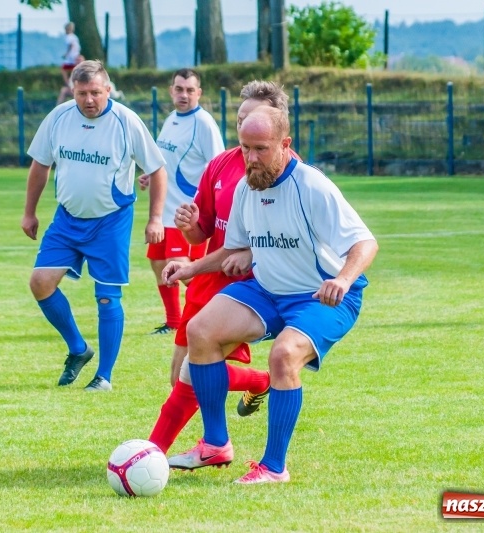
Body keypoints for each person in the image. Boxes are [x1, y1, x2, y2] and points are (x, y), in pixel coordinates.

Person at [163, 106, 378, 484]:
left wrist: (342, 280)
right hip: (269, 288)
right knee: (200, 331)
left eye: (261, 148)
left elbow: (365, 242)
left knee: (283, 355)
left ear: (285, 144)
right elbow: (234, 249)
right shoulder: (247, 188)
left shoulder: (312, 186)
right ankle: (215, 445)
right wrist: (191, 267)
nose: (251, 158)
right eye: (245, 148)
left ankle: (274, 467)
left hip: (322, 295)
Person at [148, 81, 294, 458]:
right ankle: (259, 383)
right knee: (181, 372)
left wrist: (251, 255)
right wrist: (189, 226)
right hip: (207, 277)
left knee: (193, 374)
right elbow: (207, 231)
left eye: (255, 117)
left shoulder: (280, 169)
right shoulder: (221, 163)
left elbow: (286, 239)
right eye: (241, 115)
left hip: (245, 288)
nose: (244, 122)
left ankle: (153, 453)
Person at [22, 60, 167, 391]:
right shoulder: (58, 117)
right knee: (40, 282)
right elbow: (40, 165)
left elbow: (157, 170)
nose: (89, 100)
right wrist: (29, 212)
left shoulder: (126, 121)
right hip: (68, 218)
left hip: (111, 220)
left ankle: (104, 376)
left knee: (106, 298)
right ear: (73, 90)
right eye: (82, 93)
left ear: (108, 90)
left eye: (96, 93)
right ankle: (78, 348)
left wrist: (155, 218)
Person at [140, 68, 224, 335]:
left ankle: (219, 311)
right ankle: (174, 321)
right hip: (163, 208)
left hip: (185, 211)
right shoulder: (172, 119)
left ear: (199, 93)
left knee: (183, 270)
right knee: (158, 264)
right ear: (171, 91)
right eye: (179, 89)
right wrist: (150, 176)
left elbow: (219, 165)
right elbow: (164, 161)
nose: (184, 94)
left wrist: (209, 207)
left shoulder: (204, 124)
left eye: (190, 90)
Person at [56, 22, 84, 105]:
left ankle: (67, 83)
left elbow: (70, 46)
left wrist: (66, 54)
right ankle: (68, 83)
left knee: (64, 68)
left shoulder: (69, 37)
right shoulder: (75, 37)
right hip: (74, 56)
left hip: (72, 58)